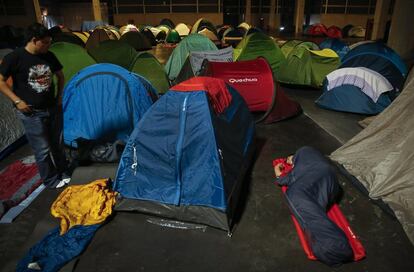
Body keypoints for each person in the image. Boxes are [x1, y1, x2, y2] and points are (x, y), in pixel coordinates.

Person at [0, 23, 71, 189]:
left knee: (57, 144)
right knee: (43, 149)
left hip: (52, 108)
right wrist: (17, 101)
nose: (48, 46)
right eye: (45, 42)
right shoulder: (15, 57)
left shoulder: (49, 56)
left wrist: (59, 96)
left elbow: (60, 76)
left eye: (49, 42)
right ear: (34, 40)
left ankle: (64, 171)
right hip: (31, 112)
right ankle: (51, 181)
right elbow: (1, 81)